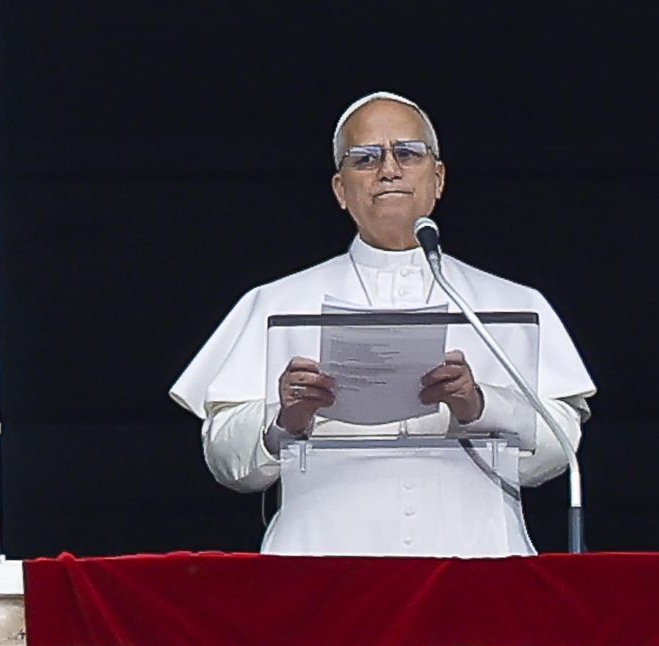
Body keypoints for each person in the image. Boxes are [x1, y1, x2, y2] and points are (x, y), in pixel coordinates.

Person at [171, 92, 595, 556]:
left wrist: (478, 405)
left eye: (408, 153)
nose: (388, 169)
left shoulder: (510, 302)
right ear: (340, 189)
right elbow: (225, 462)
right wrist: (284, 418)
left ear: (438, 178)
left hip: (477, 563)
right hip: (320, 570)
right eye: (365, 158)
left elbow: (559, 453)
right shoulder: (275, 302)